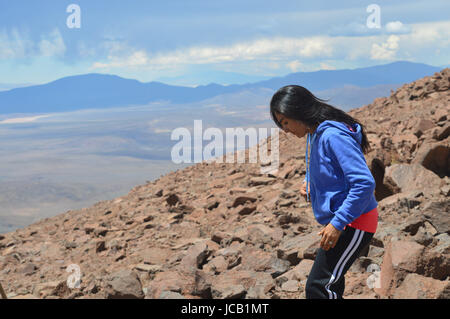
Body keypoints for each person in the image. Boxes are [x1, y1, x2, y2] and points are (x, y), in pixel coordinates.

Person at [269, 85, 378, 299]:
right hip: (346, 221)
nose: (285, 130)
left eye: (285, 122)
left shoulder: (332, 136)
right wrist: (309, 181)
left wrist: (337, 224)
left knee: (320, 288)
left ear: (298, 112)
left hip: (355, 222)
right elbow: (326, 166)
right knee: (325, 285)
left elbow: (364, 183)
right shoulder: (315, 135)